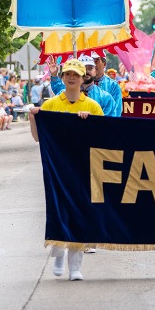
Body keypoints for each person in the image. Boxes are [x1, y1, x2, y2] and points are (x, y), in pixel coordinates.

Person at [29, 58, 104, 282]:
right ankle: (58, 253)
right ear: (62, 78)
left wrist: (89, 123)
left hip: (83, 168)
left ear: (83, 79)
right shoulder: (51, 105)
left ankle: (75, 266)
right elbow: (37, 138)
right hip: (58, 169)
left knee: (79, 215)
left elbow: (102, 138)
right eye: (67, 74)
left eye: (76, 74)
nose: (71, 78)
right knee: (59, 212)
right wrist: (34, 117)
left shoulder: (92, 106)